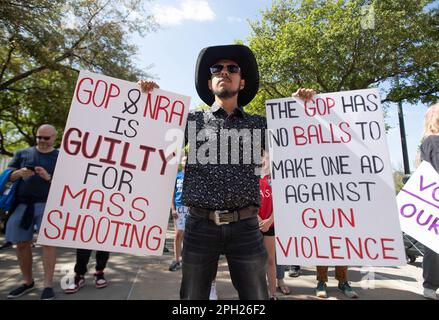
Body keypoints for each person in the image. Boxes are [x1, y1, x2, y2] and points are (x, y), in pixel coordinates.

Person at [139, 44, 314, 300]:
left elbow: (298, 145)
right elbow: (149, 142)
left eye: (232, 68)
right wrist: (147, 100)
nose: (224, 72)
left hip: (246, 229)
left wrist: (303, 108)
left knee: (256, 297)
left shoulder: (260, 125)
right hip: (199, 228)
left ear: (241, 82)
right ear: (210, 82)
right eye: (216, 68)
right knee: (192, 298)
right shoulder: (190, 122)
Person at [5, 124, 59, 300]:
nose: (42, 141)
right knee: (21, 244)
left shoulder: (61, 157)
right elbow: (8, 176)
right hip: (22, 205)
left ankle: (48, 286)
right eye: (39, 137)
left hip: (48, 205)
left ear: (54, 138)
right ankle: (28, 282)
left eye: (46, 138)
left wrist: (48, 177)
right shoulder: (22, 153)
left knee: (48, 244)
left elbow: (67, 184)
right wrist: (19, 173)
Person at [418, 102, 439, 300]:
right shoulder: (433, 141)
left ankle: (431, 284)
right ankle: (430, 285)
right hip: (435, 201)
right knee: (434, 245)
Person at [169, 156, 188, 272]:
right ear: (181, 163)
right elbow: (172, 193)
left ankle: (186, 259)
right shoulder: (177, 176)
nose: (185, 163)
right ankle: (176, 259)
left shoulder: (194, 177)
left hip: (190, 208)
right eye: (184, 161)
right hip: (179, 208)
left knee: (188, 235)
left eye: (187, 161)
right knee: (178, 234)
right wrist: (173, 209)